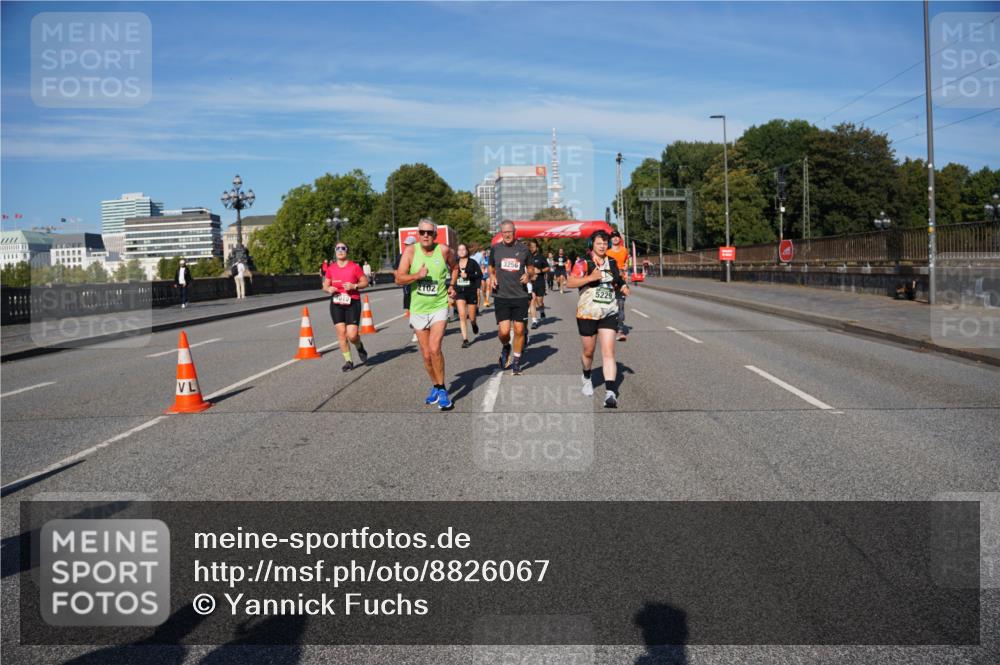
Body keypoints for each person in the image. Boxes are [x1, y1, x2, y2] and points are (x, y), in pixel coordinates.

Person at [395, 218, 458, 410]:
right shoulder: (410, 251)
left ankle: (442, 391)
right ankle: (437, 386)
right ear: (418, 234)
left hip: (439, 306)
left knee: (434, 348)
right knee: (425, 355)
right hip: (418, 309)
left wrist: (452, 286)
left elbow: (454, 268)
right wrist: (416, 276)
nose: (425, 235)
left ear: (435, 235)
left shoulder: (444, 250)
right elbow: (399, 278)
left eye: (429, 232)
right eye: (422, 232)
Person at [566, 230, 629, 408]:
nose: (602, 246)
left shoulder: (612, 262)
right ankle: (586, 376)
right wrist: (590, 278)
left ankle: (610, 393)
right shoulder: (583, 263)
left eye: (605, 243)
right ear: (592, 245)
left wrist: (623, 287)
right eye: (599, 243)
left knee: (608, 352)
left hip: (608, 311)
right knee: (588, 351)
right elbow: (569, 283)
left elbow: (618, 280)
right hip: (587, 313)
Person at [489, 220, 533, 375]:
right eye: (504, 232)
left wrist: (529, 275)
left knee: (520, 329)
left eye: (510, 232)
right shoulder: (495, 249)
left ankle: (516, 361)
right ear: (501, 233)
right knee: (504, 332)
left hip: (520, 295)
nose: (507, 234)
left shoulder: (523, 249)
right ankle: (506, 346)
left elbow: (531, 268)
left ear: (515, 232)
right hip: (501, 295)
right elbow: (491, 266)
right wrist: (492, 276)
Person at [323, 242, 370, 371]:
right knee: (341, 333)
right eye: (337, 248)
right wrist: (329, 289)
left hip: (352, 303)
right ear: (335, 251)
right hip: (336, 303)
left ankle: (359, 347)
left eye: (343, 248)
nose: (340, 250)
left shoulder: (354, 267)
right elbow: (325, 286)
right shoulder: (331, 268)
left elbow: (365, 282)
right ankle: (348, 361)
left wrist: (354, 286)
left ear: (347, 251)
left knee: (352, 335)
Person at [454, 243, 483, 348]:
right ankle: (465, 339)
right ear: (457, 252)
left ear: (467, 251)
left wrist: (469, 276)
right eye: (459, 250)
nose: (461, 251)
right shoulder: (455, 264)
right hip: (459, 292)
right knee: (462, 315)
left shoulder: (473, 262)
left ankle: (474, 323)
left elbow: (479, 275)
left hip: (471, 291)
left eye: (463, 249)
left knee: (471, 317)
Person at [606, 230, 631, 342]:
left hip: (622, 281)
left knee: (620, 305)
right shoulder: (607, 252)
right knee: (610, 306)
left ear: (619, 239)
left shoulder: (624, 250)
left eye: (617, 237)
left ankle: (620, 330)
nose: (615, 238)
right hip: (610, 282)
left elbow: (628, 261)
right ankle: (609, 327)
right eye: (613, 237)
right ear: (610, 239)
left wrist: (627, 266)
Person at [394, 236, 418, 343]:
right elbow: (395, 269)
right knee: (410, 306)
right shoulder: (401, 256)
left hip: (418, 283)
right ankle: (415, 327)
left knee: (418, 305)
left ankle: (416, 331)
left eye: (409, 244)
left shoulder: (419, 255)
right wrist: (399, 277)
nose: (406, 246)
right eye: (406, 244)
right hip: (407, 284)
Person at [527, 240, 549, 329]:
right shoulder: (526, 257)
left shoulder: (541, 257)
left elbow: (547, 268)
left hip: (540, 281)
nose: (532, 248)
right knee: (533, 299)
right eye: (530, 247)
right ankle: (534, 321)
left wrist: (540, 271)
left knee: (539, 301)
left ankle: (542, 310)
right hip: (530, 282)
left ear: (536, 248)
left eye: (533, 247)